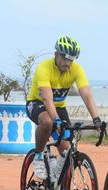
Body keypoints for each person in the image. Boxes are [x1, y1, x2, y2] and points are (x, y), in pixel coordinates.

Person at [26, 36, 102, 180]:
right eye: (65, 58)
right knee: (48, 121)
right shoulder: (44, 67)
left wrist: (96, 118)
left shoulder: (76, 69)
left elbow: (86, 94)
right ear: (56, 54)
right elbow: (47, 98)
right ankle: (38, 157)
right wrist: (57, 121)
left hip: (59, 107)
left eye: (71, 60)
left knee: (67, 150)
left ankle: (56, 176)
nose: (68, 63)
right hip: (37, 103)